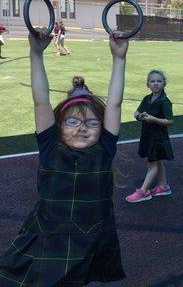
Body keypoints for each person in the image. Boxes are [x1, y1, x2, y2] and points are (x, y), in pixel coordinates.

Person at [0, 29, 128, 285]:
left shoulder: (103, 149)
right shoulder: (50, 146)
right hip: (51, 238)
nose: (82, 128)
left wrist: (119, 59)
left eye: (92, 123)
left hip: (90, 236)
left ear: (102, 128)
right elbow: (40, 101)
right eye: (72, 121)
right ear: (58, 126)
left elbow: (114, 104)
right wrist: (36, 53)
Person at [126, 70, 174, 203]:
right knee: (158, 162)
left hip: (158, 138)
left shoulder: (165, 101)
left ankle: (143, 191)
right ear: (147, 84)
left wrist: (153, 118)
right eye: (152, 81)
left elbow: (169, 121)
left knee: (152, 165)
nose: (156, 84)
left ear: (164, 84)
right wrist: (139, 116)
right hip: (148, 136)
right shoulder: (147, 99)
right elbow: (136, 113)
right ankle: (163, 187)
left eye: (159, 81)